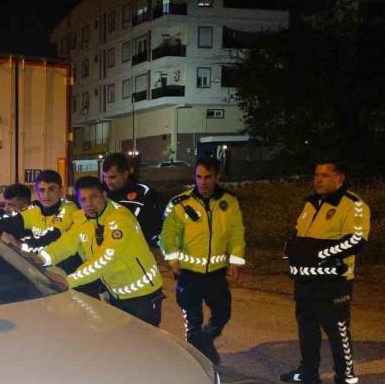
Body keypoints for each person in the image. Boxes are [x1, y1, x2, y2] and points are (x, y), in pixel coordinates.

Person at [280, 160, 371, 384]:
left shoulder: (353, 205)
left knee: (338, 332)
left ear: (340, 178)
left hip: (334, 282)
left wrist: (318, 254)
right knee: (307, 327)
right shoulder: (311, 204)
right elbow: (298, 235)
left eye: (325, 175)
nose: (318, 179)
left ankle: (345, 381)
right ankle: (309, 371)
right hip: (306, 280)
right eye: (316, 174)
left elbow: (356, 241)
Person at [31, 176, 164, 326]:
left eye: (93, 197)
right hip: (116, 293)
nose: (89, 204)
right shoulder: (83, 218)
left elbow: (105, 258)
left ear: (104, 195)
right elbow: (65, 244)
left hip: (143, 294)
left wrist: (68, 281)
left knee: (144, 344)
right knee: (122, 342)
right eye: (83, 199)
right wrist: (40, 258)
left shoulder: (119, 219)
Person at [159, 157, 246, 364]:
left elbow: (236, 234)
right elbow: (167, 236)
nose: (203, 182)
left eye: (208, 177)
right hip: (188, 273)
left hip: (216, 273)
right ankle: (197, 362)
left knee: (223, 313)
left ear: (217, 177)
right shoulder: (179, 204)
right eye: (198, 177)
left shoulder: (229, 202)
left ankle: (207, 339)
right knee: (193, 320)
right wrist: (172, 260)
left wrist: (235, 261)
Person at [101, 152, 166, 248]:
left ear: (125, 174)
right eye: (104, 177)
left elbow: (154, 227)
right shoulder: (100, 194)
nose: (108, 182)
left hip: (137, 248)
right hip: (107, 247)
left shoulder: (143, 194)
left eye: (112, 177)